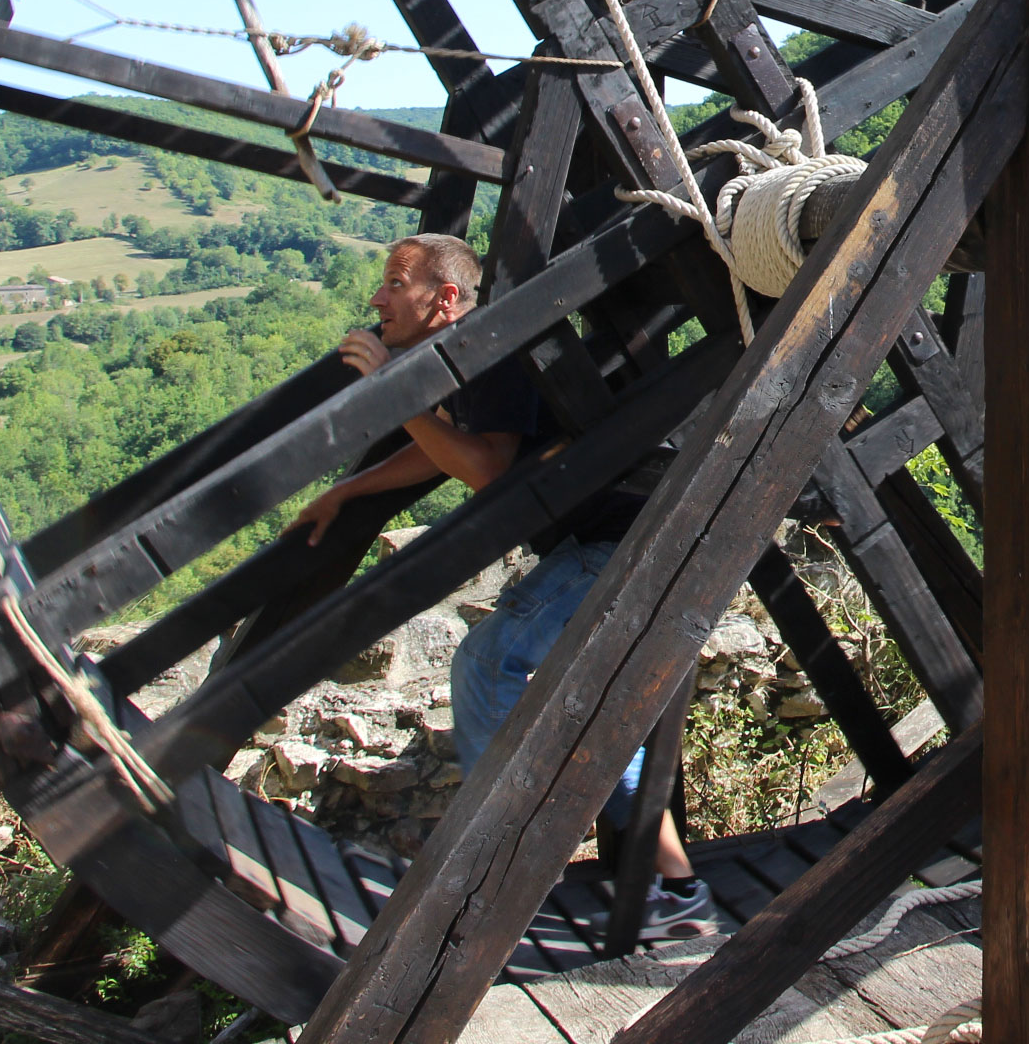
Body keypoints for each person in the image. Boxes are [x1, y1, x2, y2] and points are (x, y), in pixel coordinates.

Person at [287, 233, 717, 938]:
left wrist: (389, 394)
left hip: (622, 541)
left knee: (488, 664)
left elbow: (483, 467)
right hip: (625, 539)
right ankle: (679, 890)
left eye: (397, 282)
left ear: (446, 298)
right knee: (595, 722)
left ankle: (502, 865)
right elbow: (438, 455)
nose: (378, 298)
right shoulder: (466, 359)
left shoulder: (491, 353)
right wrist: (349, 491)